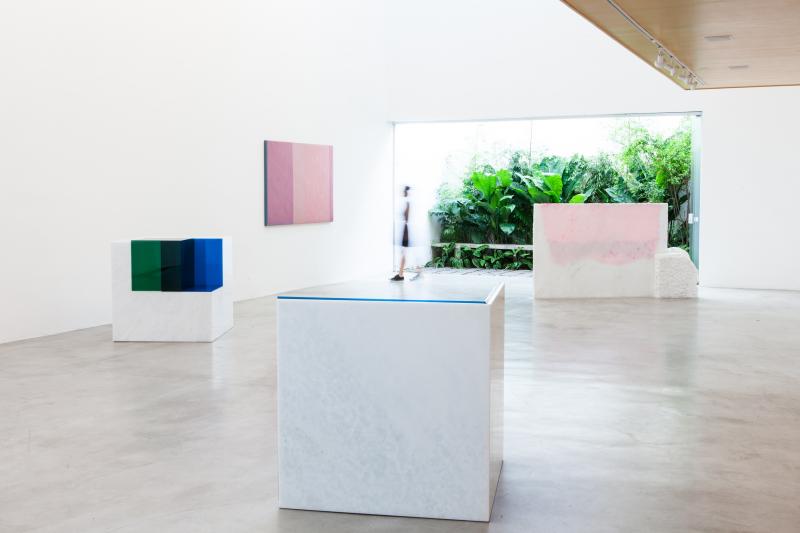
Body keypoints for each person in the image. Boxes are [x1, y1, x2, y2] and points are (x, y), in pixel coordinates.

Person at [391, 186, 411, 281]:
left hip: (406, 231)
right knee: (403, 252)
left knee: (403, 252)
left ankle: (401, 274)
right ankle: (401, 274)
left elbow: (406, 217)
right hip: (405, 230)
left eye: (404, 191)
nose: (403, 193)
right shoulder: (407, 202)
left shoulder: (407, 203)